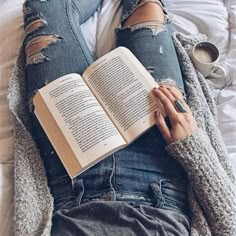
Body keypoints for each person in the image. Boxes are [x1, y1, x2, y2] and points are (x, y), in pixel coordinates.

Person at [22, 0, 236, 235]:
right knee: (147, 9)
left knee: (46, 7)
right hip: (163, 157)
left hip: (69, 172)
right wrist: (193, 144)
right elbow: (228, 223)